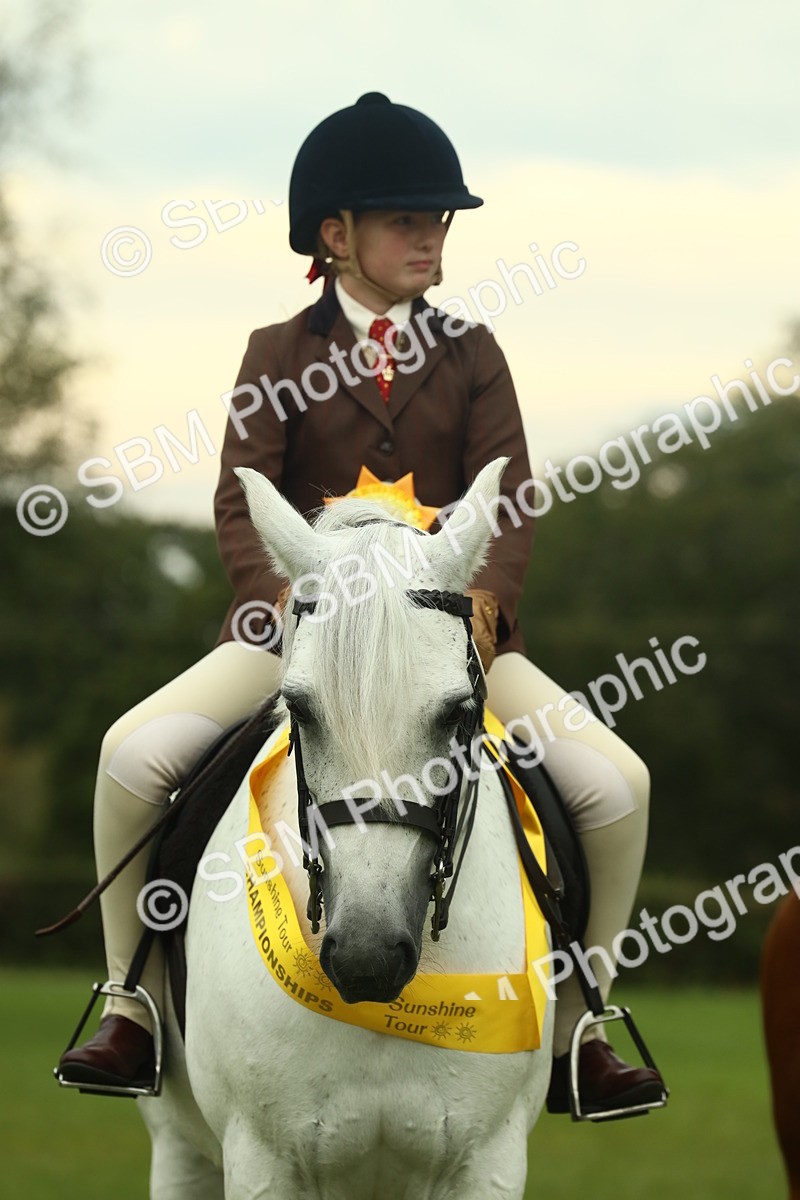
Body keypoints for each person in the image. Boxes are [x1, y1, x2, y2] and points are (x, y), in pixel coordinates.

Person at [59, 92, 664, 1115]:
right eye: (404, 220)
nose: (429, 236)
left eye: (437, 220)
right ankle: (131, 1001)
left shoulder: (473, 353)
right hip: (304, 641)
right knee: (130, 756)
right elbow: (239, 502)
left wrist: (481, 608)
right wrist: (291, 610)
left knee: (617, 784)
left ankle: (580, 1021)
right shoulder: (275, 353)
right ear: (334, 236)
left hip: (445, 641)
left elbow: (507, 503)